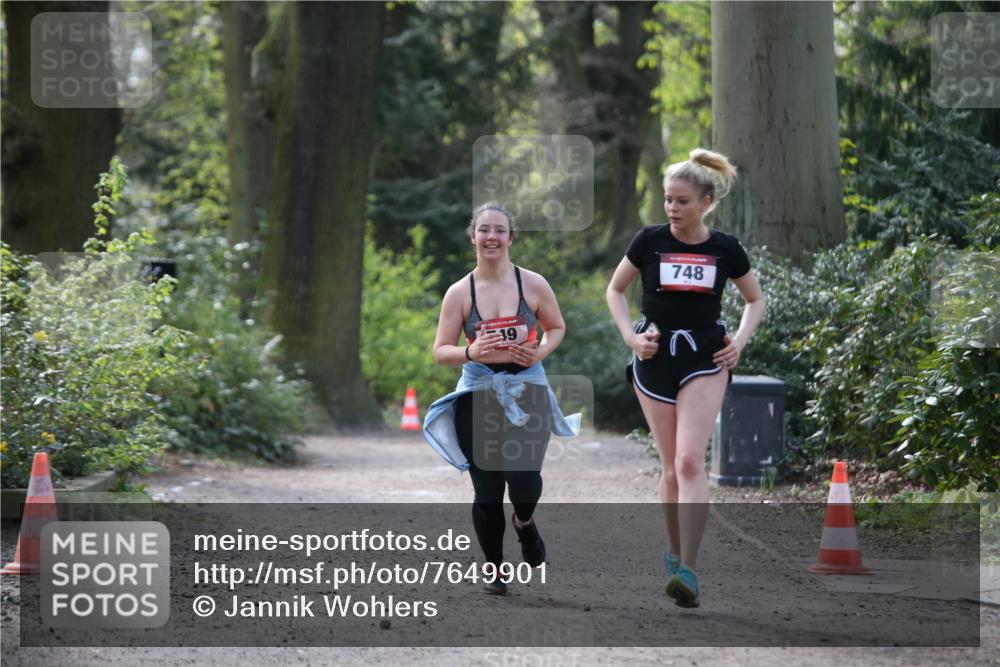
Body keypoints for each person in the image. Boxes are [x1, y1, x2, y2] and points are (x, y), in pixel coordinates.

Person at [605, 148, 765, 607]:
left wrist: (739, 341)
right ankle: (674, 554)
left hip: (706, 356)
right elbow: (615, 290)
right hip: (655, 356)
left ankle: (690, 570)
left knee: (691, 461)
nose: (672, 208)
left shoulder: (725, 248)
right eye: (667, 199)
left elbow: (755, 300)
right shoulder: (648, 241)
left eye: (682, 201)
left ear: (705, 203)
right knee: (672, 466)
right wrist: (631, 338)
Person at [423, 201, 580, 596]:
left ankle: (524, 522)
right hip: (478, 392)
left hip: (528, 390)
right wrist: (470, 352)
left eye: (499, 230)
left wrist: (540, 352)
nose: (491, 236)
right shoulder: (460, 292)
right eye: (484, 229)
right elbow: (441, 351)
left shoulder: (534, 284)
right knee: (488, 492)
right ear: (472, 236)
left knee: (524, 479)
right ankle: (494, 568)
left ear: (511, 237)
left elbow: (557, 327)